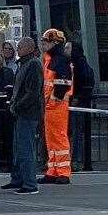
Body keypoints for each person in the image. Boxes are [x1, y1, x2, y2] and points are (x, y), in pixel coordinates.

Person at [5, 35, 44, 194]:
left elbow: (33, 92)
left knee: (25, 148)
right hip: (22, 112)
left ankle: (29, 183)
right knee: (18, 147)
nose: (18, 49)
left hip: (28, 113)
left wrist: (17, 106)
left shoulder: (33, 64)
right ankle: (18, 178)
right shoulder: (24, 64)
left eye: (20, 47)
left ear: (29, 48)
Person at [39, 29, 73, 185]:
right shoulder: (51, 58)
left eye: (46, 41)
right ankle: (52, 170)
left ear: (55, 43)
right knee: (51, 139)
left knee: (59, 138)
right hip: (50, 105)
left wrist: (54, 100)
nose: (43, 44)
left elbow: (63, 84)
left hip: (57, 105)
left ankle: (64, 172)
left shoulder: (60, 59)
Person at [69, 43, 96, 173]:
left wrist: (77, 97)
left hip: (77, 103)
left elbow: (86, 82)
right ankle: (76, 159)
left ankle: (76, 159)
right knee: (76, 132)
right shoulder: (76, 64)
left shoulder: (79, 65)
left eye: (68, 48)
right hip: (74, 101)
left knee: (76, 132)